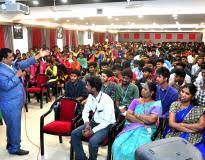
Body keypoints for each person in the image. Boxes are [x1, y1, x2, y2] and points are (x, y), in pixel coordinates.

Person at [0, 48, 49, 155]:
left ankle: (10, 143)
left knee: (12, 125)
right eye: (10, 57)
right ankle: (15, 148)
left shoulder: (11, 65)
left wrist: (38, 56)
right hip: (9, 103)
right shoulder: (1, 70)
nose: (13, 58)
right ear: (3, 59)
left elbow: (25, 62)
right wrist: (17, 76)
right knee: (14, 125)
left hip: (15, 102)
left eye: (12, 56)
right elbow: (6, 86)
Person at [112, 82, 162, 160]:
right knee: (118, 144)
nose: (142, 90)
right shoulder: (135, 101)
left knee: (135, 150)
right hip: (131, 128)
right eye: (142, 88)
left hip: (146, 132)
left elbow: (151, 119)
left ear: (152, 92)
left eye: (145, 89)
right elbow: (128, 116)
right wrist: (142, 121)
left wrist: (136, 115)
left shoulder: (156, 104)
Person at [71, 76, 116, 160]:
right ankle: (82, 158)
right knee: (74, 134)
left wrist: (92, 131)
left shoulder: (107, 100)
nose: (85, 87)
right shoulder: (90, 96)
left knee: (93, 142)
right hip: (93, 122)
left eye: (87, 85)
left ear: (94, 88)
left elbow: (106, 121)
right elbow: (85, 111)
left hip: (106, 126)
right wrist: (87, 123)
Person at [165, 84, 205, 159]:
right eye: (182, 91)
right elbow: (171, 123)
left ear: (192, 97)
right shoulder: (175, 105)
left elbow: (201, 126)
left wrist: (181, 124)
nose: (183, 94)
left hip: (195, 137)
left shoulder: (198, 109)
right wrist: (189, 129)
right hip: (175, 134)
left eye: (187, 93)